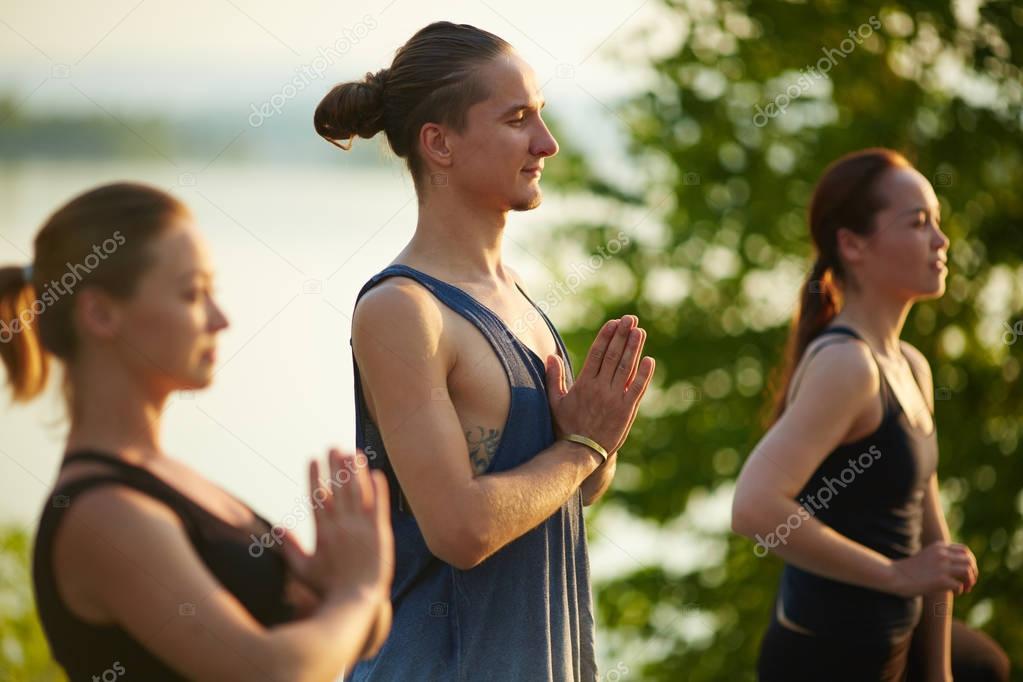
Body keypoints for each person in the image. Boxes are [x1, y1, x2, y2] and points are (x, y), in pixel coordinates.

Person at [315, 21, 655, 682]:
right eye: (516, 119)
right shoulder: (402, 310)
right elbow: (461, 531)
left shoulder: (517, 296)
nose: (546, 144)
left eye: (542, 117)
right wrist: (582, 447)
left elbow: (570, 491)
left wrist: (596, 445)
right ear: (439, 144)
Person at [0, 182, 393, 681]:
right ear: (100, 314)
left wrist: (336, 593)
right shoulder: (102, 515)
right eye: (192, 293)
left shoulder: (173, 484)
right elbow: (271, 674)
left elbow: (358, 634)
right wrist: (356, 592)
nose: (220, 318)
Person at [731, 148, 1010, 681]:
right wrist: (895, 575)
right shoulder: (847, 366)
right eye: (918, 222)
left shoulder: (909, 365)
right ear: (853, 244)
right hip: (830, 660)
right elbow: (753, 508)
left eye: (938, 221)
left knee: (985, 666)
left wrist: (938, 673)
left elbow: (933, 543)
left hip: (896, 644)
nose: (941, 240)